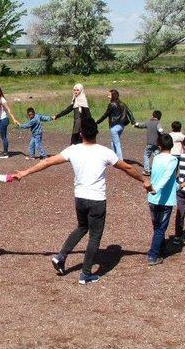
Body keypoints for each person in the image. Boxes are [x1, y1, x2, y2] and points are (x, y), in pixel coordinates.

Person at [16, 118, 152, 285]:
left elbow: (47, 161)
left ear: (80, 134)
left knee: (82, 227)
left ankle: (61, 256)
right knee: (95, 236)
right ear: (96, 133)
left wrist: (25, 172)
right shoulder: (105, 152)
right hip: (96, 200)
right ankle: (85, 274)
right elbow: (128, 167)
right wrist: (143, 180)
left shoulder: (73, 150)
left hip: (80, 198)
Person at [147, 134, 178, 266]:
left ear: (159, 146)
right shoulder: (173, 160)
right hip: (165, 199)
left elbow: (161, 176)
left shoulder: (156, 158)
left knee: (157, 226)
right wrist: (157, 189)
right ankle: (153, 255)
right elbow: (166, 177)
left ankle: (161, 247)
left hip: (152, 198)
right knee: (160, 228)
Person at [96, 89, 135, 160]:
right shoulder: (122, 103)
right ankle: (113, 158)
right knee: (113, 142)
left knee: (117, 144)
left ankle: (120, 160)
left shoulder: (111, 104)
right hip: (122, 126)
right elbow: (129, 112)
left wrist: (97, 122)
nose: (108, 96)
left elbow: (105, 115)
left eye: (109, 95)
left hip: (114, 126)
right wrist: (133, 122)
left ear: (113, 96)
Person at [134, 110, 164, 176]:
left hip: (150, 144)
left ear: (152, 115)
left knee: (146, 155)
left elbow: (141, 125)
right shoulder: (158, 122)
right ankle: (159, 169)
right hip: (157, 144)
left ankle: (146, 170)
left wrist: (136, 124)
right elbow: (160, 129)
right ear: (159, 117)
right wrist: (161, 132)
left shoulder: (148, 122)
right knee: (157, 156)